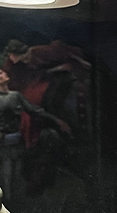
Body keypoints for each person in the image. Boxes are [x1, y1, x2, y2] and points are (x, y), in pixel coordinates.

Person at [0, 69, 70, 200]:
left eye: (2, 72)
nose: (2, 74)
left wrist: (56, 120)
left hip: (17, 140)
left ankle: (18, 199)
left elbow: (34, 110)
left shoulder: (16, 96)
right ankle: (8, 200)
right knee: (7, 170)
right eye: (0, 74)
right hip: (4, 142)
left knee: (17, 170)